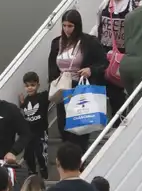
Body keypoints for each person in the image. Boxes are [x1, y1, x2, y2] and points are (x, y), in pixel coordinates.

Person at [46, 11, 107, 149]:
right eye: (64, 26)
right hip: (63, 89)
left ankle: (80, 160)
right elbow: (51, 65)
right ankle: (69, 160)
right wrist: (53, 82)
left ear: (77, 26)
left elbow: (103, 62)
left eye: (70, 26)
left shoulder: (89, 42)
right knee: (64, 128)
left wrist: (90, 70)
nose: (67, 29)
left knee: (80, 127)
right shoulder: (57, 43)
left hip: (80, 88)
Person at [97, 0, 142, 116]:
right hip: (108, 56)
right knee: (112, 89)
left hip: (128, 55)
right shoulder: (105, 4)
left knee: (130, 88)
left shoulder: (136, 5)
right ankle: (117, 121)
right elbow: (99, 26)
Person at [18, 72, 50, 180]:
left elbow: (52, 92)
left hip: (41, 131)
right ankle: (32, 172)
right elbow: (24, 113)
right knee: (28, 155)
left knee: (40, 153)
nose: (30, 88)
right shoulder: (26, 101)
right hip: (29, 133)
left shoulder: (43, 96)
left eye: (32, 85)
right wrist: (21, 103)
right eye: (27, 86)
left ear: (38, 85)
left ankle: (43, 169)